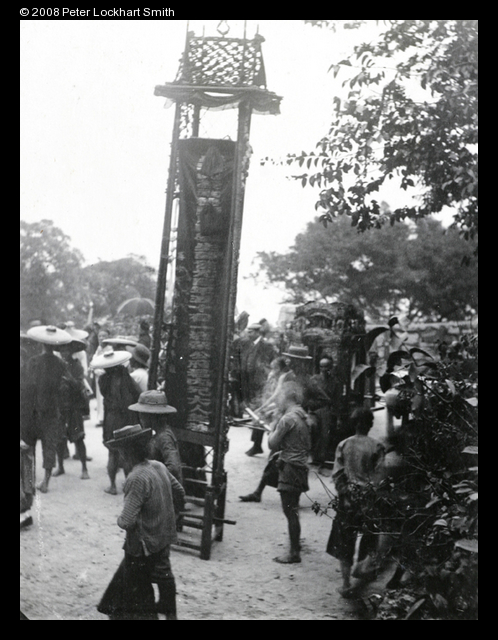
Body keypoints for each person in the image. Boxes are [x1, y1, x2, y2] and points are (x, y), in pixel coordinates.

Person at [97, 425, 185, 620]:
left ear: (126, 453)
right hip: (163, 537)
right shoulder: (158, 466)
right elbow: (179, 492)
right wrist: (165, 514)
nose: (119, 457)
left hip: (144, 546)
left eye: (120, 452)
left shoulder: (136, 477)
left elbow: (126, 521)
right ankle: (169, 614)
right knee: (146, 576)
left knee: (136, 588)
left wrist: (120, 519)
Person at [326, 407, 386, 598]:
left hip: (348, 498)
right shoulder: (377, 446)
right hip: (368, 499)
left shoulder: (344, 444)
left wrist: (344, 495)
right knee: (370, 538)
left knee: (344, 541)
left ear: (354, 424)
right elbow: (379, 476)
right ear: (370, 424)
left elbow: (337, 474)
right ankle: (362, 571)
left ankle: (345, 584)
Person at [239, 356, 296, 503]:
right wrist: (265, 409)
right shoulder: (285, 377)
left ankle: (262, 493)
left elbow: (277, 397)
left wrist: (264, 409)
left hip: (290, 423)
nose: (272, 371)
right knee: (276, 461)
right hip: (288, 420)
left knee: (280, 460)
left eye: (275, 368)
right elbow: (277, 399)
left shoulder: (288, 378)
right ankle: (259, 492)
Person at [23, 325, 73, 493]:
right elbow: (66, 385)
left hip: (34, 409)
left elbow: (27, 386)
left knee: (29, 445)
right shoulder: (60, 364)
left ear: (41, 344)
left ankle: (29, 481)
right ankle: (45, 481)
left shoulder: (33, 361)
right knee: (49, 445)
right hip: (52, 409)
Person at [267, 381, 311, 564]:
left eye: (280, 396)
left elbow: (272, 443)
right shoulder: (303, 416)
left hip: (290, 468)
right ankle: (295, 547)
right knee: (293, 509)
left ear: (286, 397)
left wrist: (273, 426)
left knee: (289, 510)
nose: (278, 400)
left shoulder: (287, 419)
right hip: (300, 466)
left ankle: (294, 553)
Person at [90, 348, 140, 495]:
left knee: (112, 453)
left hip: (110, 418)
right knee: (126, 453)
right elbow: (137, 394)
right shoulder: (125, 378)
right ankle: (128, 486)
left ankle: (112, 486)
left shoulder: (103, 380)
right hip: (125, 417)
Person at [53, 338, 91, 480]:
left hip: (74, 407)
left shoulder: (77, 366)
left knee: (78, 437)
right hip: (61, 406)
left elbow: (79, 386)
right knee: (59, 438)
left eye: (67, 350)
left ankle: (84, 469)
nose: (64, 352)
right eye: (62, 350)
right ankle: (60, 467)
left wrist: (68, 378)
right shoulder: (56, 366)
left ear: (71, 351)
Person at [128, 390, 184, 486]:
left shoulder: (164, 437)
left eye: (142, 415)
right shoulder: (158, 434)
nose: (140, 418)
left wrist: (151, 479)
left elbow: (174, 467)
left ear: (152, 416)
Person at [240, 323, 277, 456]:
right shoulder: (248, 344)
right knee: (256, 414)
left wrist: (266, 377)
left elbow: (273, 364)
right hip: (250, 384)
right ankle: (256, 444)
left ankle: (257, 445)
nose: (248, 334)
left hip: (262, 386)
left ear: (257, 332)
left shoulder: (267, 346)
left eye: (250, 332)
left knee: (260, 414)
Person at [304, 356, 342, 471]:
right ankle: (312, 457)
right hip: (314, 410)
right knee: (312, 429)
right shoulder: (313, 380)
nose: (324, 369)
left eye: (327, 367)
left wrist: (338, 417)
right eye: (322, 367)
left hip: (327, 410)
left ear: (331, 367)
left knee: (325, 435)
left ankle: (320, 460)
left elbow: (337, 400)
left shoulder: (335, 382)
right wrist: (311, 406)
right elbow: (306, 397)